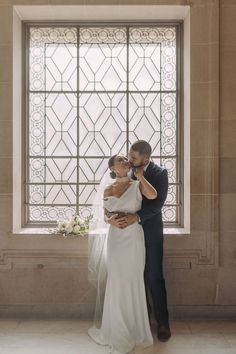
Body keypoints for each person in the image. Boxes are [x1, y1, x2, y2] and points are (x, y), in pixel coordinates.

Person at [88, 154, 157, 354]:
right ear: (113, 167)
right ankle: (116, 328)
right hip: (116, 239)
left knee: (133, 279)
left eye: (126, 159)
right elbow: (105, 214)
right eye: (121, 160)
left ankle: (136, 329)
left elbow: (152, 195)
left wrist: (141, 176)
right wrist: (110, 221)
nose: (126, 161)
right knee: (117, 279)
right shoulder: (107, 189)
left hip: (134, 237)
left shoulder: (137, 185)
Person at [115, 140, 171, 342]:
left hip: (150, 234)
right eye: (129, 156)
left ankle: (163, 323)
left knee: (154, 276)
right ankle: (142, 320)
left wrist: (136, 217)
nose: (130, 160)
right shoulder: (126, 170)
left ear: (146, 158)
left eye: (134, 158)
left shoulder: (160, 173)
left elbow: (157, 204)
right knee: (133, 276)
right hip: (128, 235)